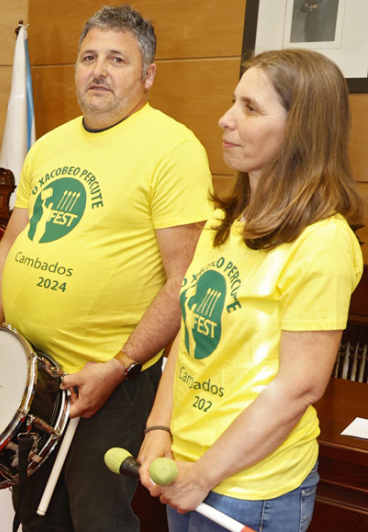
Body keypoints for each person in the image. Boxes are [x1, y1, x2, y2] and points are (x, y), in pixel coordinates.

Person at [0, 5, 213, 531]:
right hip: (31, 377)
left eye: (117, 59)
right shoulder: (48, 146)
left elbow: (184, 281)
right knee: (35, 516)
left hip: (112, 381)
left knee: (97, 520)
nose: (99, 70)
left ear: (148, 75)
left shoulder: (174, 149)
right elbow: (8, 248)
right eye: (89, 56)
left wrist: (117, 365)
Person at [137, 48, 363, 532]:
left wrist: (206, 474)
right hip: (187, 468)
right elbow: (189, 334)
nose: (225, 119)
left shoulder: (324, 241)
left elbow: (299, 386)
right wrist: (160, 427)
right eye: (232, 102)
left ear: (299, 130)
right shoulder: (224, 219)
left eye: (250, 108)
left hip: (252, 490)